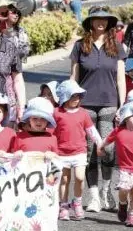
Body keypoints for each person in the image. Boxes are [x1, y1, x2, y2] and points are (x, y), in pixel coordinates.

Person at [70, 6, 127, 212]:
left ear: (109, 23)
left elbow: (120, 78)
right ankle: (93, 195)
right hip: (85, 105)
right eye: (96, 19)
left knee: (108, 149)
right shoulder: (79, 46)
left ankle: (106, 189)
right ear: (91, 23)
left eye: (104, 19)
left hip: (109, 103)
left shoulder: (116, 46)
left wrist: (123, 105)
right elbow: (73, 78)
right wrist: (69, 103)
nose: (100, 22)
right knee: (90, 151)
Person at [54, 80, 103, 221]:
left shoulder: (83, 113)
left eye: (79, 96)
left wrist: (99, 143)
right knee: (64, 180)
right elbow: (50, 133)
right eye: (73, 96)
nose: (77, 99)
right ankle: (63, 205)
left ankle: (77, 202)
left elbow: (91, 130)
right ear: (64, 97)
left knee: (80, 178)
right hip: (61, 153)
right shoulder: (57, 113)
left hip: (80, 151)